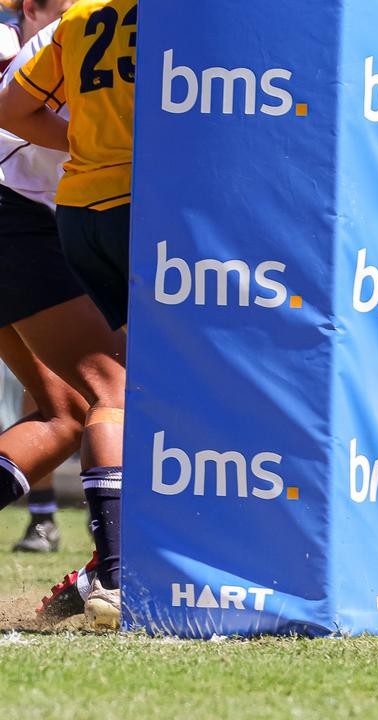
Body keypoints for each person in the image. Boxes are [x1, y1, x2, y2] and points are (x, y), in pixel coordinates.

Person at [0, 0, 138, 630]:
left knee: (64, 414)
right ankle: (114, 575)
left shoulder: (71, 30)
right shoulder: (61, 35)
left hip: (34, 224)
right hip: (18, 222)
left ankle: (103, 570)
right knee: (111, 390)